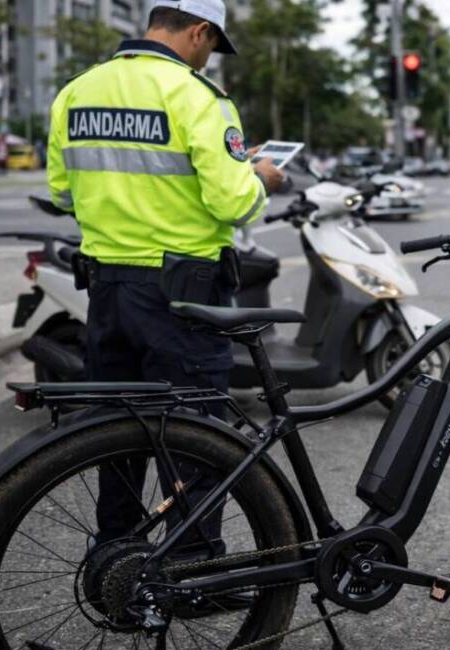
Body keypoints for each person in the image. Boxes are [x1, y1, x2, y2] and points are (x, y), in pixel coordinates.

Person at [46, 0, 286, 554]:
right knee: (198, 438)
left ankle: (117, 557)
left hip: (106, 290)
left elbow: (63, 192)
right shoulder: (196, 97)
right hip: (184, 297)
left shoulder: (78, 91)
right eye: (212, 46)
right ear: (198, 31)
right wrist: (260, 179)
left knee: (115, 435)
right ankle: (192, 568)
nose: (208, 59)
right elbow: (233, 204)